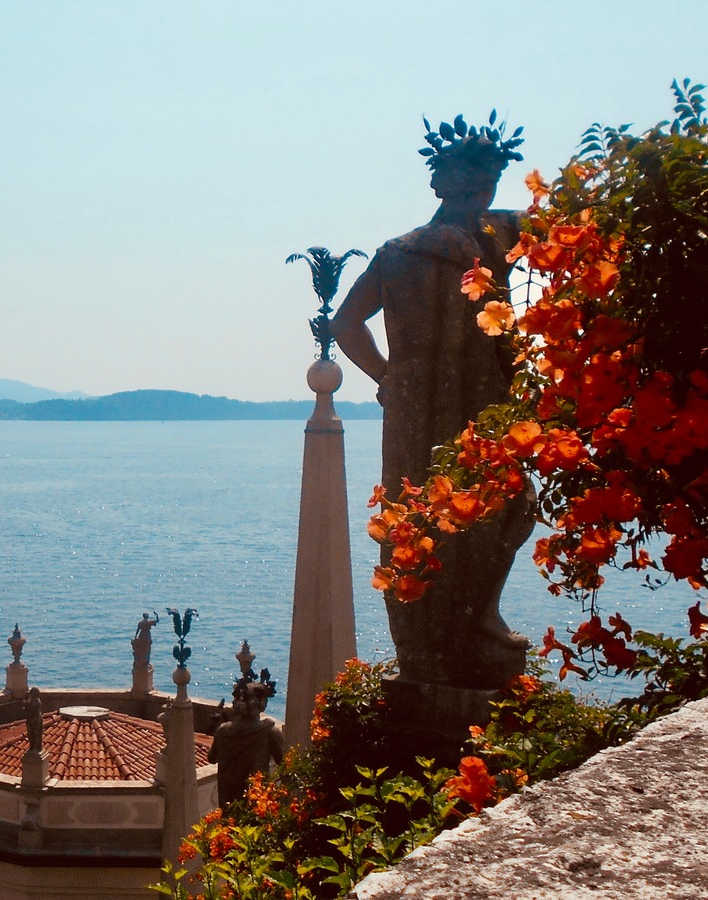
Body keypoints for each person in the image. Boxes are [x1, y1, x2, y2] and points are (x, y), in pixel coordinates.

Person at [332, 116, 534, 691]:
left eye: (488, 182)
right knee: (492, 513)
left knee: (416, 518)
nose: (486, 193)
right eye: (483, 182)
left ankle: (428, 653)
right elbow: (571, 236)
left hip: (415, 407)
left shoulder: (399, 252)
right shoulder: (498, 234)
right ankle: (468, 634)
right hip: (478, 400)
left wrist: (387, 379)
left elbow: (346, 323)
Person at [207, 681, 285, 805]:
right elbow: (286, 769)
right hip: (256, 801)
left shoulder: (223, 730)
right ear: (262, 705)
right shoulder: (269, 732)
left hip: (228, 799)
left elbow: (211, 758)